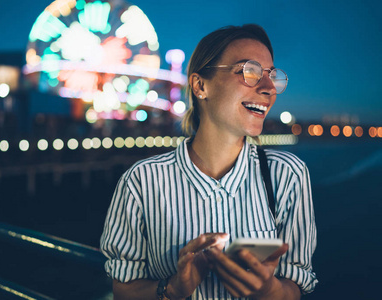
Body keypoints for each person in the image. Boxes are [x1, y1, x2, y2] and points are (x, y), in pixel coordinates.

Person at [100, 24, 317, 299]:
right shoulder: (141, 183)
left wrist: (271, 291)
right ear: (200, 85)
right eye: (249, 71)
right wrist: (173, 288)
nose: (269, 88)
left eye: (272, 76)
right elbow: (123, 287)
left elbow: (295, 284)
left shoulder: (287, 176)